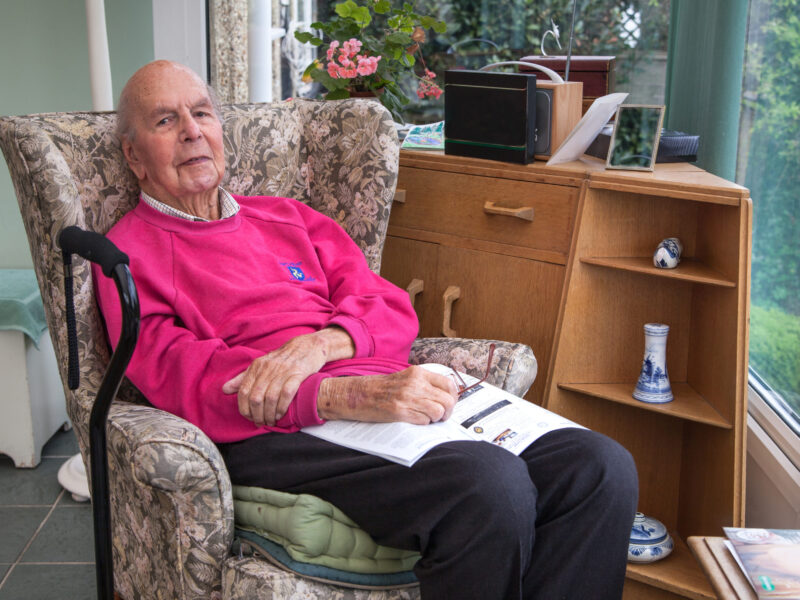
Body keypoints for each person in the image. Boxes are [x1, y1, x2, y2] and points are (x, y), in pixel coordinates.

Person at [94, 60, 638, 600]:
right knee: (489, 486)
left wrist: (319, 345)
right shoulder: (126, 255)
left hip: (383, 396)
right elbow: (186, 378)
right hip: (280, 433)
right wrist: (342, 393)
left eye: (202, 113)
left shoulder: (288, 217)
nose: (192, 130)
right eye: (166, 121)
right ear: (133, 155)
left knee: (600, 468)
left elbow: (389, 307)